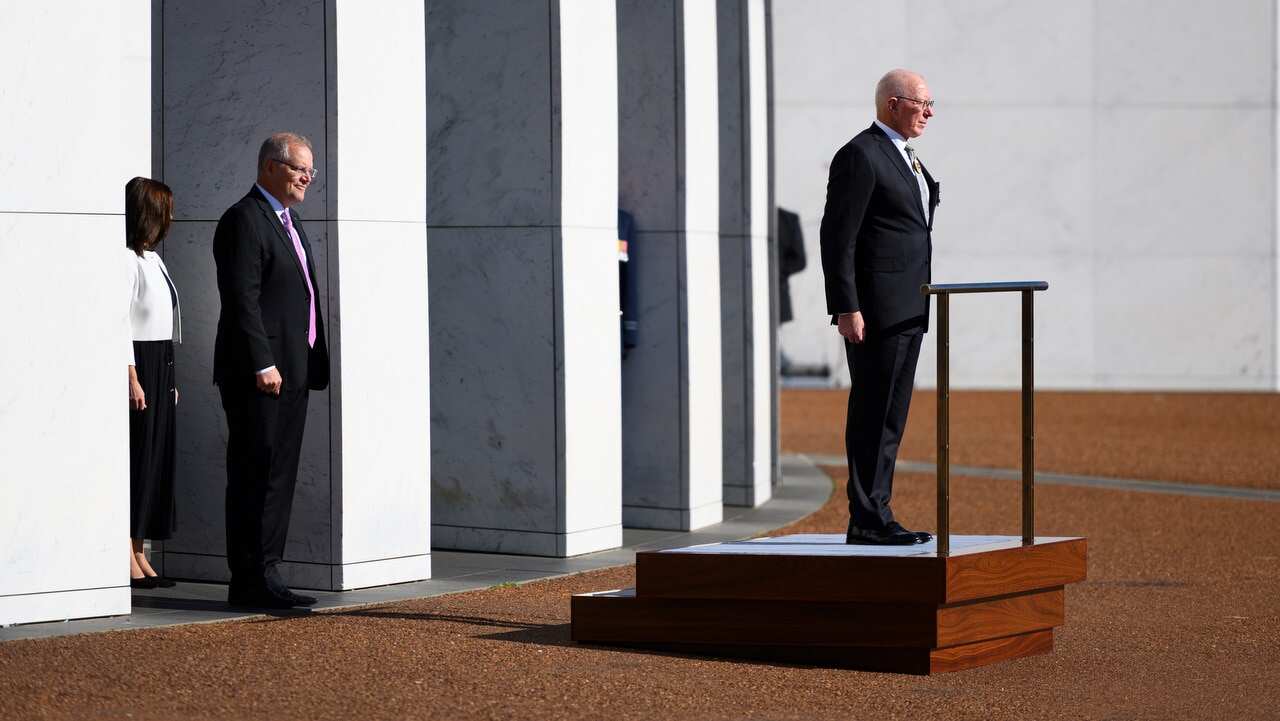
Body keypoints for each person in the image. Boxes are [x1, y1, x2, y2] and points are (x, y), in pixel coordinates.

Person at [818, 69, 940, 546]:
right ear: (893, 104)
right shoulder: (861, 154)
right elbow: (838, 236)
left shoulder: (906, 157)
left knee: (891, 417)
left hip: (909, 308)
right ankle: (868, 519)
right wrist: (846, 307)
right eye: (922, 103)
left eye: (931, 104)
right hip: (876, 313)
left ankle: (877, 512)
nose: (929, 113)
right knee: (874, 413)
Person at [213, 132, 329, 608]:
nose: (307, 178)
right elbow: (241, 298)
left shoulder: (290, 220)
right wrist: (263, 362)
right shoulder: (244, 219)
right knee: (254, 473)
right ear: (270, 168)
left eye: (310, 171)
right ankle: (249, 579)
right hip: (259, 374)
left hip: (294, 371)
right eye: (300, 168)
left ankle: (267, 572)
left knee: (278, 475)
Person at [124, 176, 181, 588]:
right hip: (140, 362)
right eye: (165, 211)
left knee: (156, 459)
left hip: (160, 361)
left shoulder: (154, 259)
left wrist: (169, 377)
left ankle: (139, 549)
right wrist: (132, 375)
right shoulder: (126, 260)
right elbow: (120, 322)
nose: (170, 219)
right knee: (138, 458)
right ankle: (125, 552)